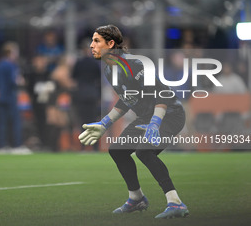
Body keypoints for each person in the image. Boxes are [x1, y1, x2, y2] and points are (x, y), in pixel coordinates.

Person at [78, 25, 189, 219]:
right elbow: (126, 100)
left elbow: (161, 96)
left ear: (111, 44)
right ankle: (136, 198)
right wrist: (104, 124)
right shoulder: (108, 70)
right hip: (147, 116)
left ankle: (176, 203)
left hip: (170, 113)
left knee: (144, 151)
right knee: (117, 151)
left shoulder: (135, 65)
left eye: (96, 41)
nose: (91, 45)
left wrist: (155, 123)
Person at [0, 41, 32, 154]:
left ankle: (0, 146)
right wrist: (20, 81)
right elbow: (14, 81)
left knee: (1, 123)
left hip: (0, 96)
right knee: (15, 122)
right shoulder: (11, 65)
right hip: (10, 96)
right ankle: (16, 145)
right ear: (11, 52)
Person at [72, 39, 101, 151]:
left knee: (83, 121)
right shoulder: (95, 63)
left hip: (81, 94)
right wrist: (99, 96)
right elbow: (98, 82)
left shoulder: (79, 63)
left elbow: (74, 79)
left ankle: (83, 146)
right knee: (93, 120)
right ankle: (95, 146)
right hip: (92, 94)